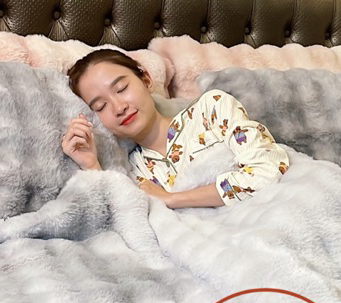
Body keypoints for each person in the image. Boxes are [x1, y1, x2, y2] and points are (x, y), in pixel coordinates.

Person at [62, 49, 289, 209]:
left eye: (121, 88)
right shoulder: (136, 171)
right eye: (101, 106)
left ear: (146, 80)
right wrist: (91, 165)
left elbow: (267, 170)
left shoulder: (211, 109)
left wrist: (172, 199)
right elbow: (127, 219)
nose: (119, 107)